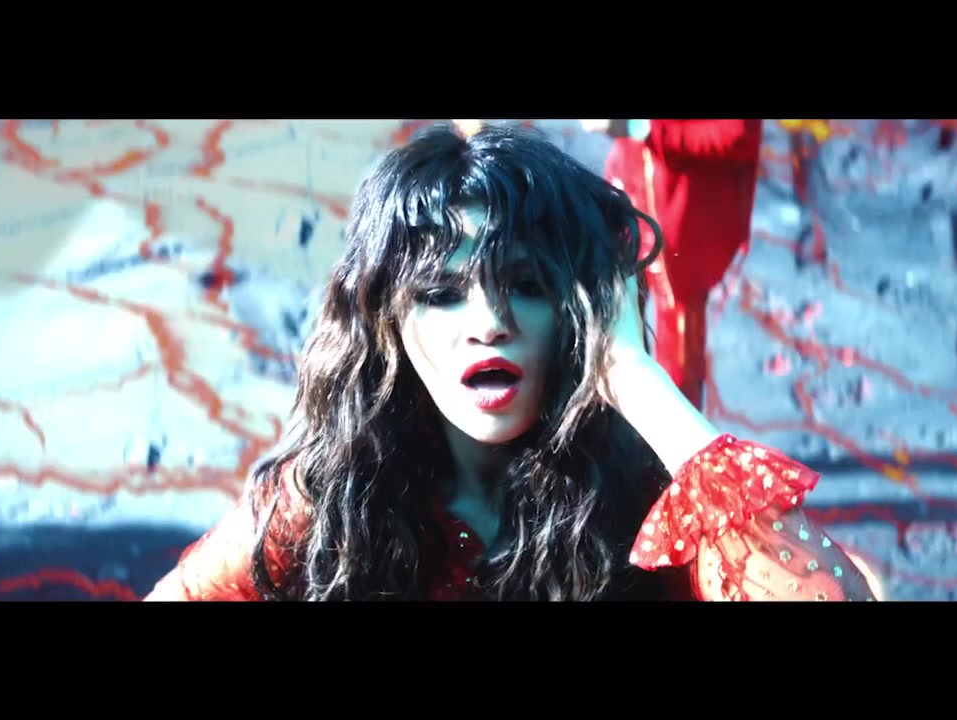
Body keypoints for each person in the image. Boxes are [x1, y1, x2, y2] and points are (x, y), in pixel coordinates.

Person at [145, 124, 873, 602]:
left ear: (576, 309)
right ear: (387, 322)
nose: (489, 323)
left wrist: (635, 376)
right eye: (441, 294)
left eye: (525, 286)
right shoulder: (326, 502)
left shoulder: (652, 512)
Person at [582, 119, 763, 409]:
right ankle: (620, 427)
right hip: (625, 190)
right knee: (612, 328)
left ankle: (677, 434)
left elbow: (737, 134)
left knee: (678, 347)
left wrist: (642, 127)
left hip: (680, 215)